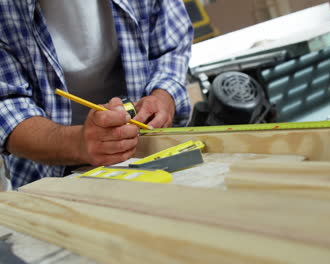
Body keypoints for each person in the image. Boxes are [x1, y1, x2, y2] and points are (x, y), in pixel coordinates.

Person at [0, 0, 193, 189]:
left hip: (150, 151)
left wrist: (163, 95)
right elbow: (6, 106)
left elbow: (171, 44)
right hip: (48, 176)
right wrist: (77, 144)